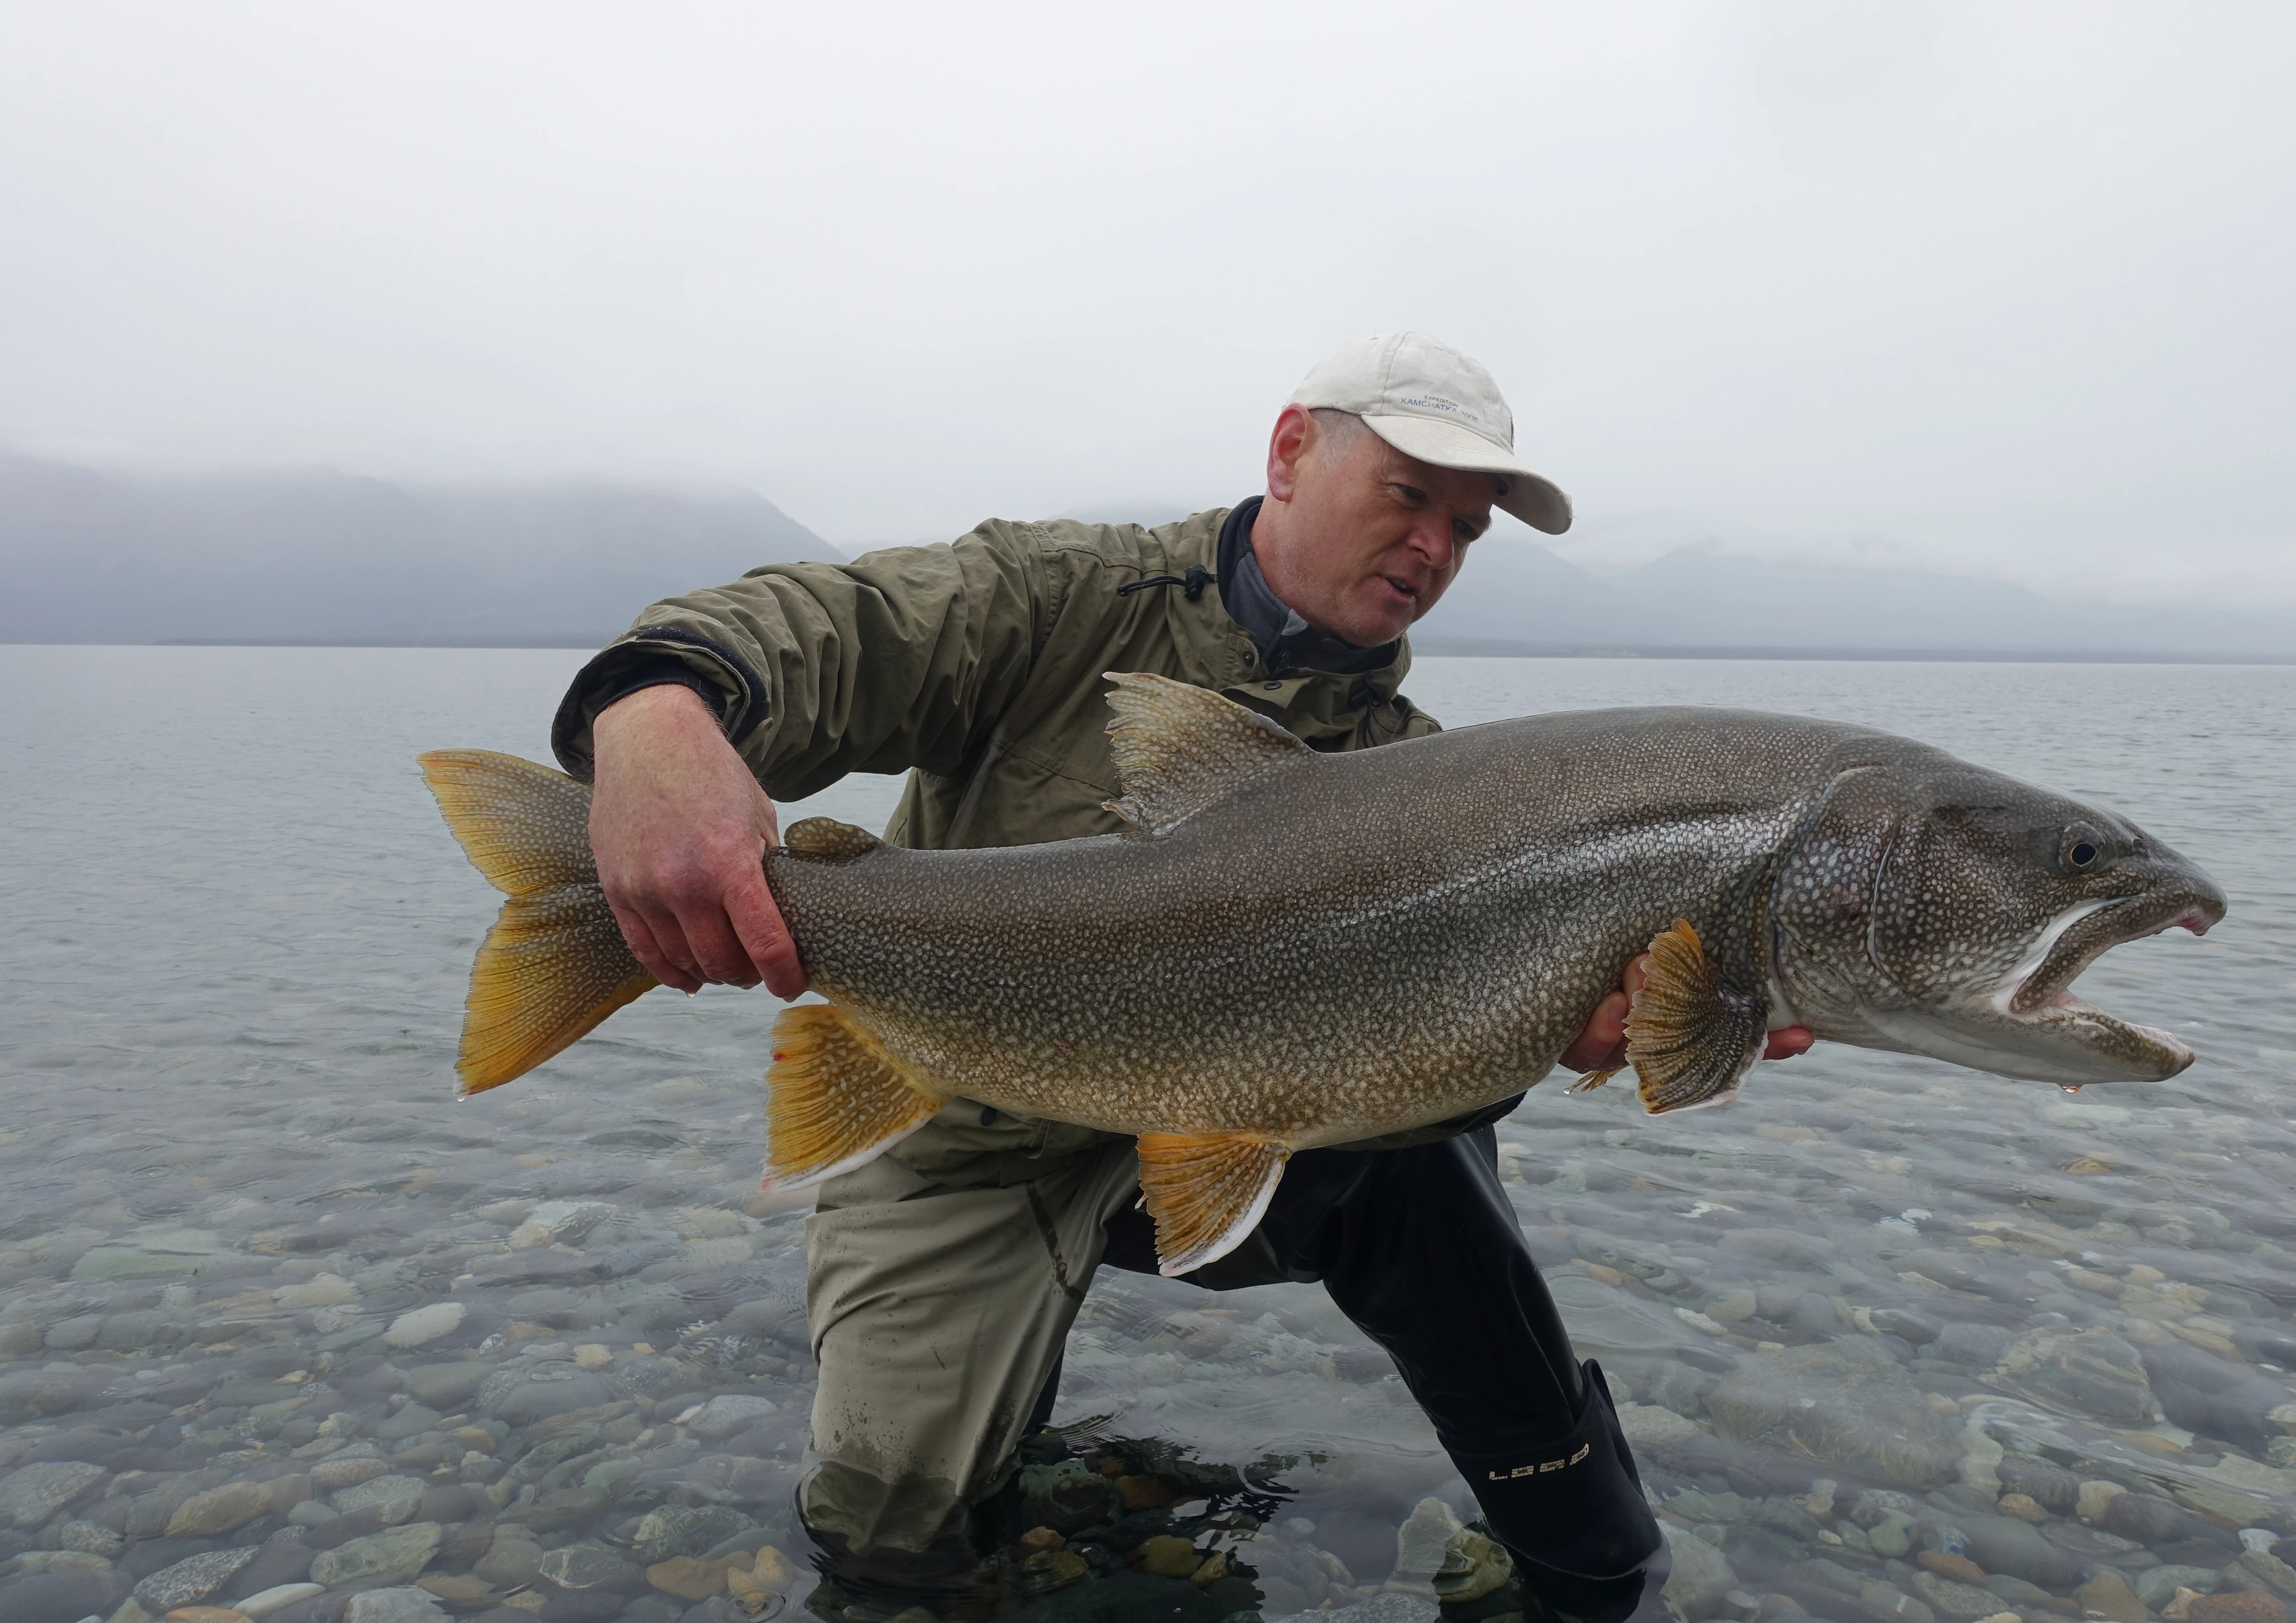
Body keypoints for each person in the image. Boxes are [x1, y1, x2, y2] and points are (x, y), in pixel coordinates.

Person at [549, 332, 1812, 1621]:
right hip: (969, 1127)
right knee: (886, 1538)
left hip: (1240, 1127)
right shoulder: (1061, 599)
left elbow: (1419, 1083)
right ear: (1290, 452)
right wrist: (655, 705)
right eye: (1409, 494)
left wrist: (1549, 1033)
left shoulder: (1424, 776)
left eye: (1468, 528)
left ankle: (1594, 1560)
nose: (1435, 547)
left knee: (1436, 1171)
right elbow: (846, 628)